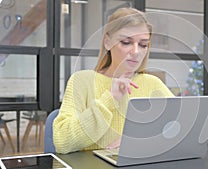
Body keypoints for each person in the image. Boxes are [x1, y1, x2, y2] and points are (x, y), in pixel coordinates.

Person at [53, 7, 174, 154]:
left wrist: (137, 139)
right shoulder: (82, 81)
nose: (136, 52)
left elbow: (181, 128)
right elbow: (62, 142)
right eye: (126, 42)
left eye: (143, 45)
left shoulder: (152, 83)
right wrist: (110, 98)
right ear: (107, 42)